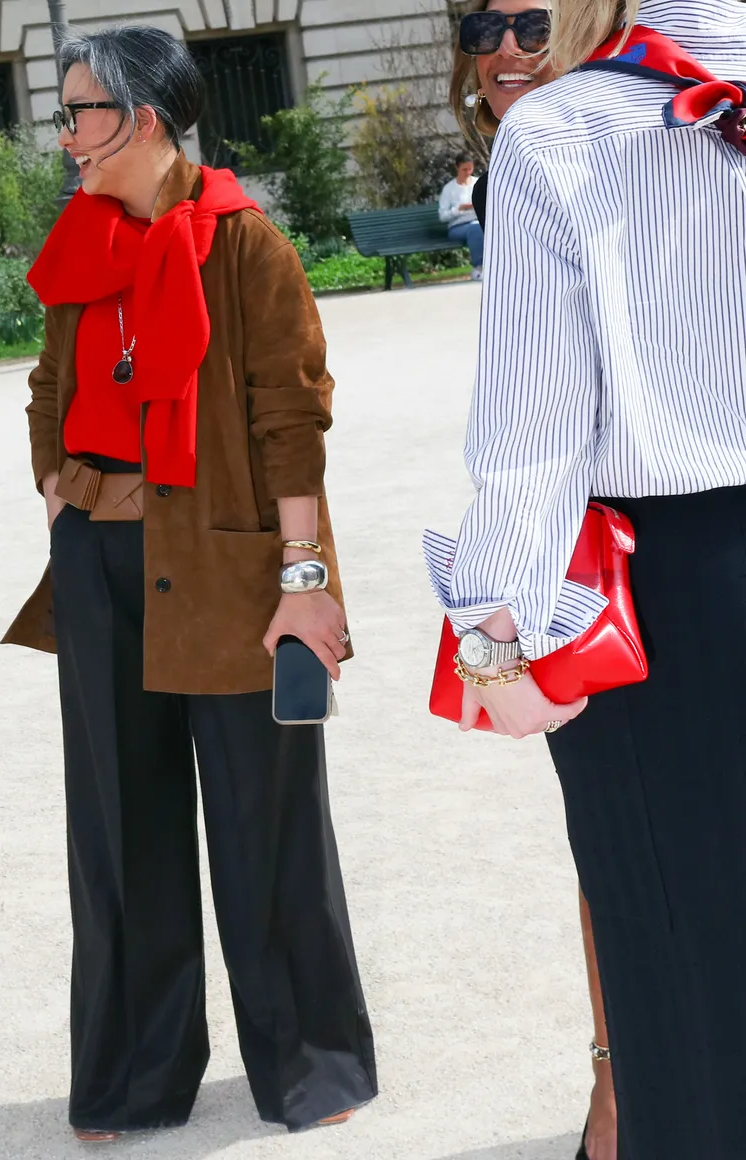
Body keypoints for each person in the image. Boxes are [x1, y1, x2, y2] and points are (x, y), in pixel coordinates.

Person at [2, 25, 376, 1143]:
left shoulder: (244, 242)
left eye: (78, 112)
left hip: (227, 563)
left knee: (266, 824)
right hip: (100, 559)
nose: (63, 134)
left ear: (144, 119)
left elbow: (289, 419)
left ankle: (312, 1063)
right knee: (119, 830)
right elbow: (51, 379)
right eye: (63, 113)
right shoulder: (80, 239)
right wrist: (57, 483)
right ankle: (132, 1076)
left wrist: (303, 581)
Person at [426, 0, 746, 1156]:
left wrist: (494, 641)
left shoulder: (560, 132)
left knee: (677, 964)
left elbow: (532, 430)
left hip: (672, 586)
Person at [449, 10, 615, 1160]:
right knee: (608, 843)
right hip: (574, 559)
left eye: (529, 19)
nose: (504, 43)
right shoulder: (525, 161)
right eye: (480, 24)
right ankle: (618, 1078)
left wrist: (489, 634)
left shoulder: (635, 132)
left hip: (637, 544)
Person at [439, 155, 485, 279]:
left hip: (480, 221)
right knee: (475, 229)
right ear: (457, 167)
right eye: (464, 169)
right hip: (458, 227)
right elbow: (443, 216)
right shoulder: (449, 189)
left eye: (470, 169)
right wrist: (458, 209)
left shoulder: (478, 183)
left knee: (483, 228)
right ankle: (479, 267)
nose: (468, 172)